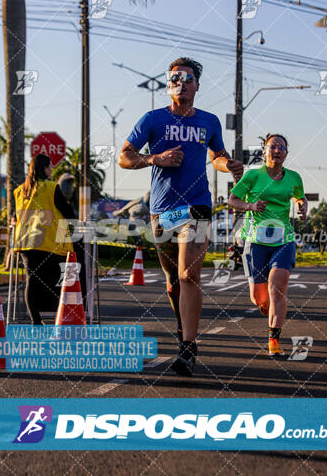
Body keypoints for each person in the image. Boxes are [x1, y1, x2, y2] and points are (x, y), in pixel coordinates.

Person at [119, 57, 243, 376]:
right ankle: (181, 328)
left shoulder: (209, 122)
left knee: (189, 275)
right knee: (173, 283)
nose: (181, 82)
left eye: (187, 78)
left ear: (197, 86)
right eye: (175, 78)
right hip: (162, 211)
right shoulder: (152, 119)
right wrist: (155, 158)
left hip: (197, 206)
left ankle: (188, 348)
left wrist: (227, 165)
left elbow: (216, 157)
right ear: (168, 85)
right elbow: (124, 157)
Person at [228, 134, 307, 356]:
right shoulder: (253, 175)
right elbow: (232, 200)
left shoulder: (294, 177)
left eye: (282, 147)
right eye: (273, 146)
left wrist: (302, 206)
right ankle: (265, 306)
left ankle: (274, 341)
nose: (278, 150)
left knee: (277, 285)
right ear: (264, 151)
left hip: (284, 239)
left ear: (286, 153)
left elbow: (300, 197)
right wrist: (251, 206)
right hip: (255, 241)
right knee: (259, 297)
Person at [13, 154, 75, 325]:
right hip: (48, 243)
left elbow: (15, 216)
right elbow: (68, 212)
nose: (52, 169)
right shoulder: (51, 187)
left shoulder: (20, 191)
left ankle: (36, 321)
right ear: (44, 168)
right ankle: (60, 319)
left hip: (25, 243)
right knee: (59, 281)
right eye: (50, 166)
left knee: (31, 282)